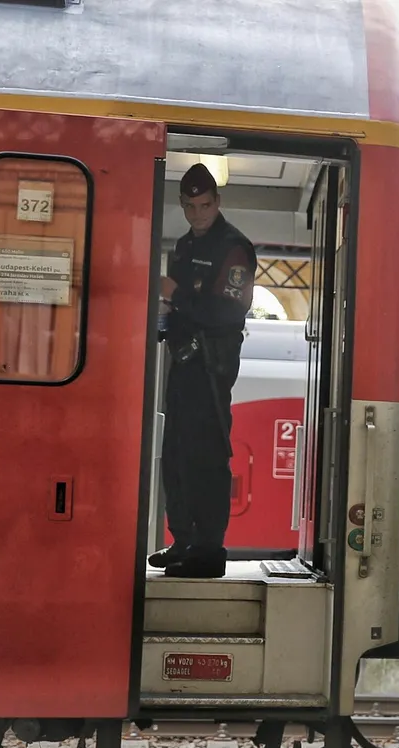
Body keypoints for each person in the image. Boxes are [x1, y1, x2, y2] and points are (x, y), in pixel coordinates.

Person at [148, 162, 257, 579]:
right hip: (183, 358)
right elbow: (176, 307)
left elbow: (229, 310)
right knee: (175, 453)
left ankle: (209, 548)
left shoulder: (233, 247)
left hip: (213, 364)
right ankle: (182, 540)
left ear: (218, 201)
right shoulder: (183, 247)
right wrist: (163, 320)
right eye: (190, 206)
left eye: (205, 205)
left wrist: (176, 294)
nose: (198, 214)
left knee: (206, 454)